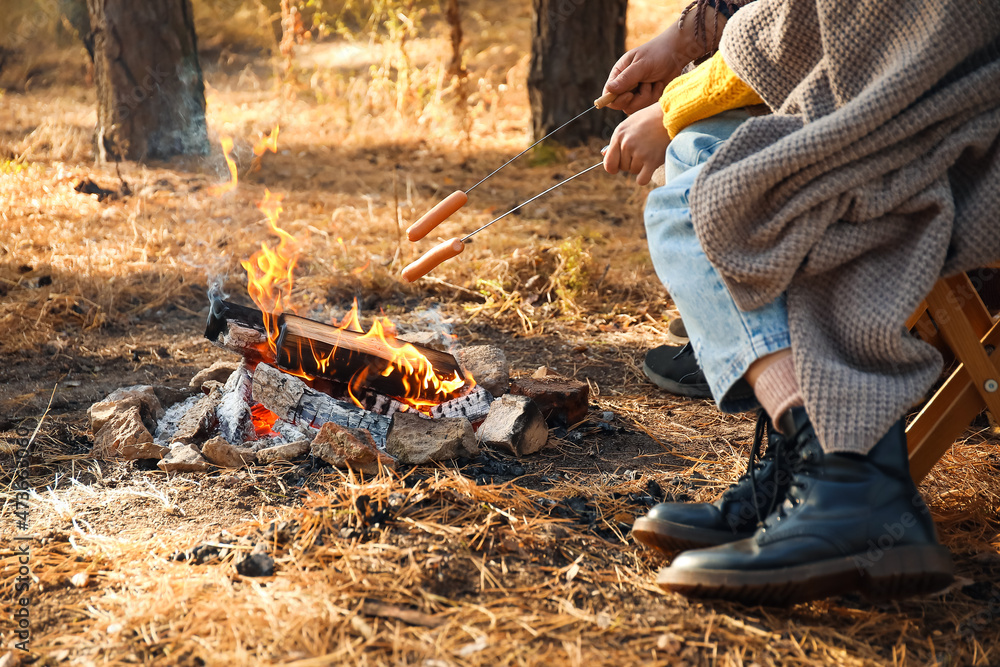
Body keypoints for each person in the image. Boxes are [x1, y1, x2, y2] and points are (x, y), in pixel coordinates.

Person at [600, 0, 1000, 605]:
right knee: (702, 153)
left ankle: (847, 474)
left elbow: (812, 25)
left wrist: (675, 101)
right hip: (948, 93)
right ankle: (810, 466)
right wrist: (683, 41)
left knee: (705, 199)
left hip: (961, 112)